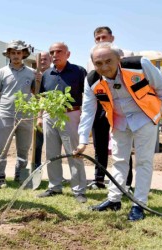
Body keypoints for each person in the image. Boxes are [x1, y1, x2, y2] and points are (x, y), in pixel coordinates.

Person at [75, 42, 162, 221]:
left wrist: (158, 114)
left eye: (109, 61)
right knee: (118, 160)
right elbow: (88, 111)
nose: (104, 67)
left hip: (144, 117)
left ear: (119, 58)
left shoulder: (139, 65)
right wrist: (82, 140)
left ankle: (139, 204)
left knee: (143, 161)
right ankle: (113, 199)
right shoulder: (92, 80)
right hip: (119, 121)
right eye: (98, 63)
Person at [37, 42, 88, 203]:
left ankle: (78, 190)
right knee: (51, 153)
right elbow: (42, 97)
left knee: (74, 152)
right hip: (49, 116)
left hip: (71, 115)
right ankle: (54, 187)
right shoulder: (47, 74)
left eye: (59, 51)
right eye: (52, 52)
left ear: (68, 54)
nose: (55, 54)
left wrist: (86, 120)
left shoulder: (79, 72)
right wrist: (39, 116)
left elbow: (88, 96)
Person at [87, 26, 134, 190]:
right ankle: (99, 179)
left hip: (121, 105)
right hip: (100, 104)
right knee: (99, 144)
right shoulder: (90, 58)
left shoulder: (126, 54)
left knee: (123, 144)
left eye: (104, 37)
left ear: (112, 38)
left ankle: (126, 182)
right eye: (98, 38)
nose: (101, 40)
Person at [0, 40, 35, 188]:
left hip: (26, 115)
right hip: (5, 114)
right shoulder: (1, 72)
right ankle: (0, 177)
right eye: (13, 53)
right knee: (2, 147)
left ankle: (20, 175)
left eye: (19, 53)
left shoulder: (32, 73)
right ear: (8, 54)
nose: (16, 56)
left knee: (24, 148)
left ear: (23, 54)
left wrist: (39, 82)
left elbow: (37, 93)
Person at [34, 51, 52, 169]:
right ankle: (36, 166)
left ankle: (54, 170)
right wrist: (37, 81)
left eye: (45, 59)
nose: (42, 62)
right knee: (37, 143)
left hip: (52, 114)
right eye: (40, 60)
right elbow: (34, 93)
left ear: (50, 60)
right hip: (36, 114)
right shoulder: (33, 75)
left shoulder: (54, 74)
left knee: (52, 144)